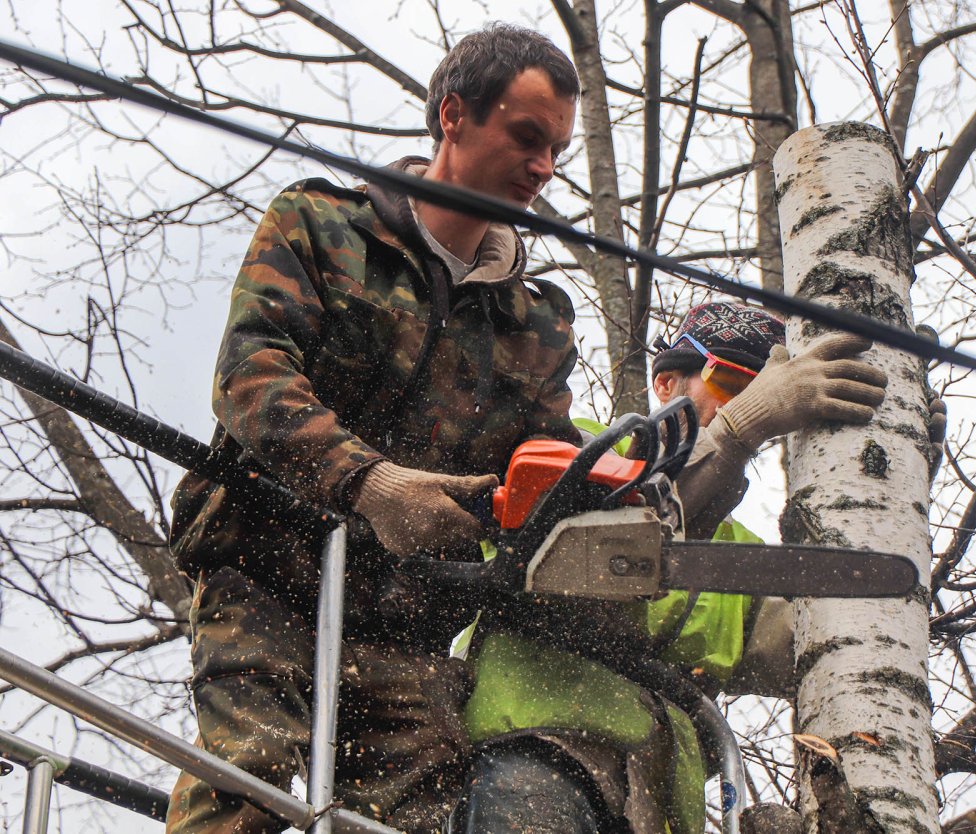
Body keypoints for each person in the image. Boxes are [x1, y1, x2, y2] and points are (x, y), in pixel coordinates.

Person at [163, 24, 581, 834]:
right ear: (453, 115)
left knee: (411, 822)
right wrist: (369, 483)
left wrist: (706, 445)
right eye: (527, 137)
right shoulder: (323, 226)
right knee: (247, 777)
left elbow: (544, 474)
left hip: (407, 617)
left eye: (556, 149)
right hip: (266, 565)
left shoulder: (536, 322)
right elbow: (251, 375)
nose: (543, 167)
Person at [454, 302, 900, 834]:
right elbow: (597, 540)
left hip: (654, 811)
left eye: (761, 393)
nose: (748, 403)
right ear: (666, 383)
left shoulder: (738, 558)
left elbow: (828, 653)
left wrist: (888, 474)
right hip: (536, 754)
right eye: (731, 385)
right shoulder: (578, 445)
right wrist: (738, 429)